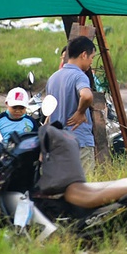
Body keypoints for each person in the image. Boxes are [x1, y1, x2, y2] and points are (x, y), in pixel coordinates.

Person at [46, 35, 97, 173]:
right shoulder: (79, 76)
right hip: (79, 140)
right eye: (92, 57)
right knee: (85, 187)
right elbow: (86, 95)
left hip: (58, 143)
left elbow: (49, 111)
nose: (91, 62)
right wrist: (80, 112)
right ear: (84, 55)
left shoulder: (53, 78)